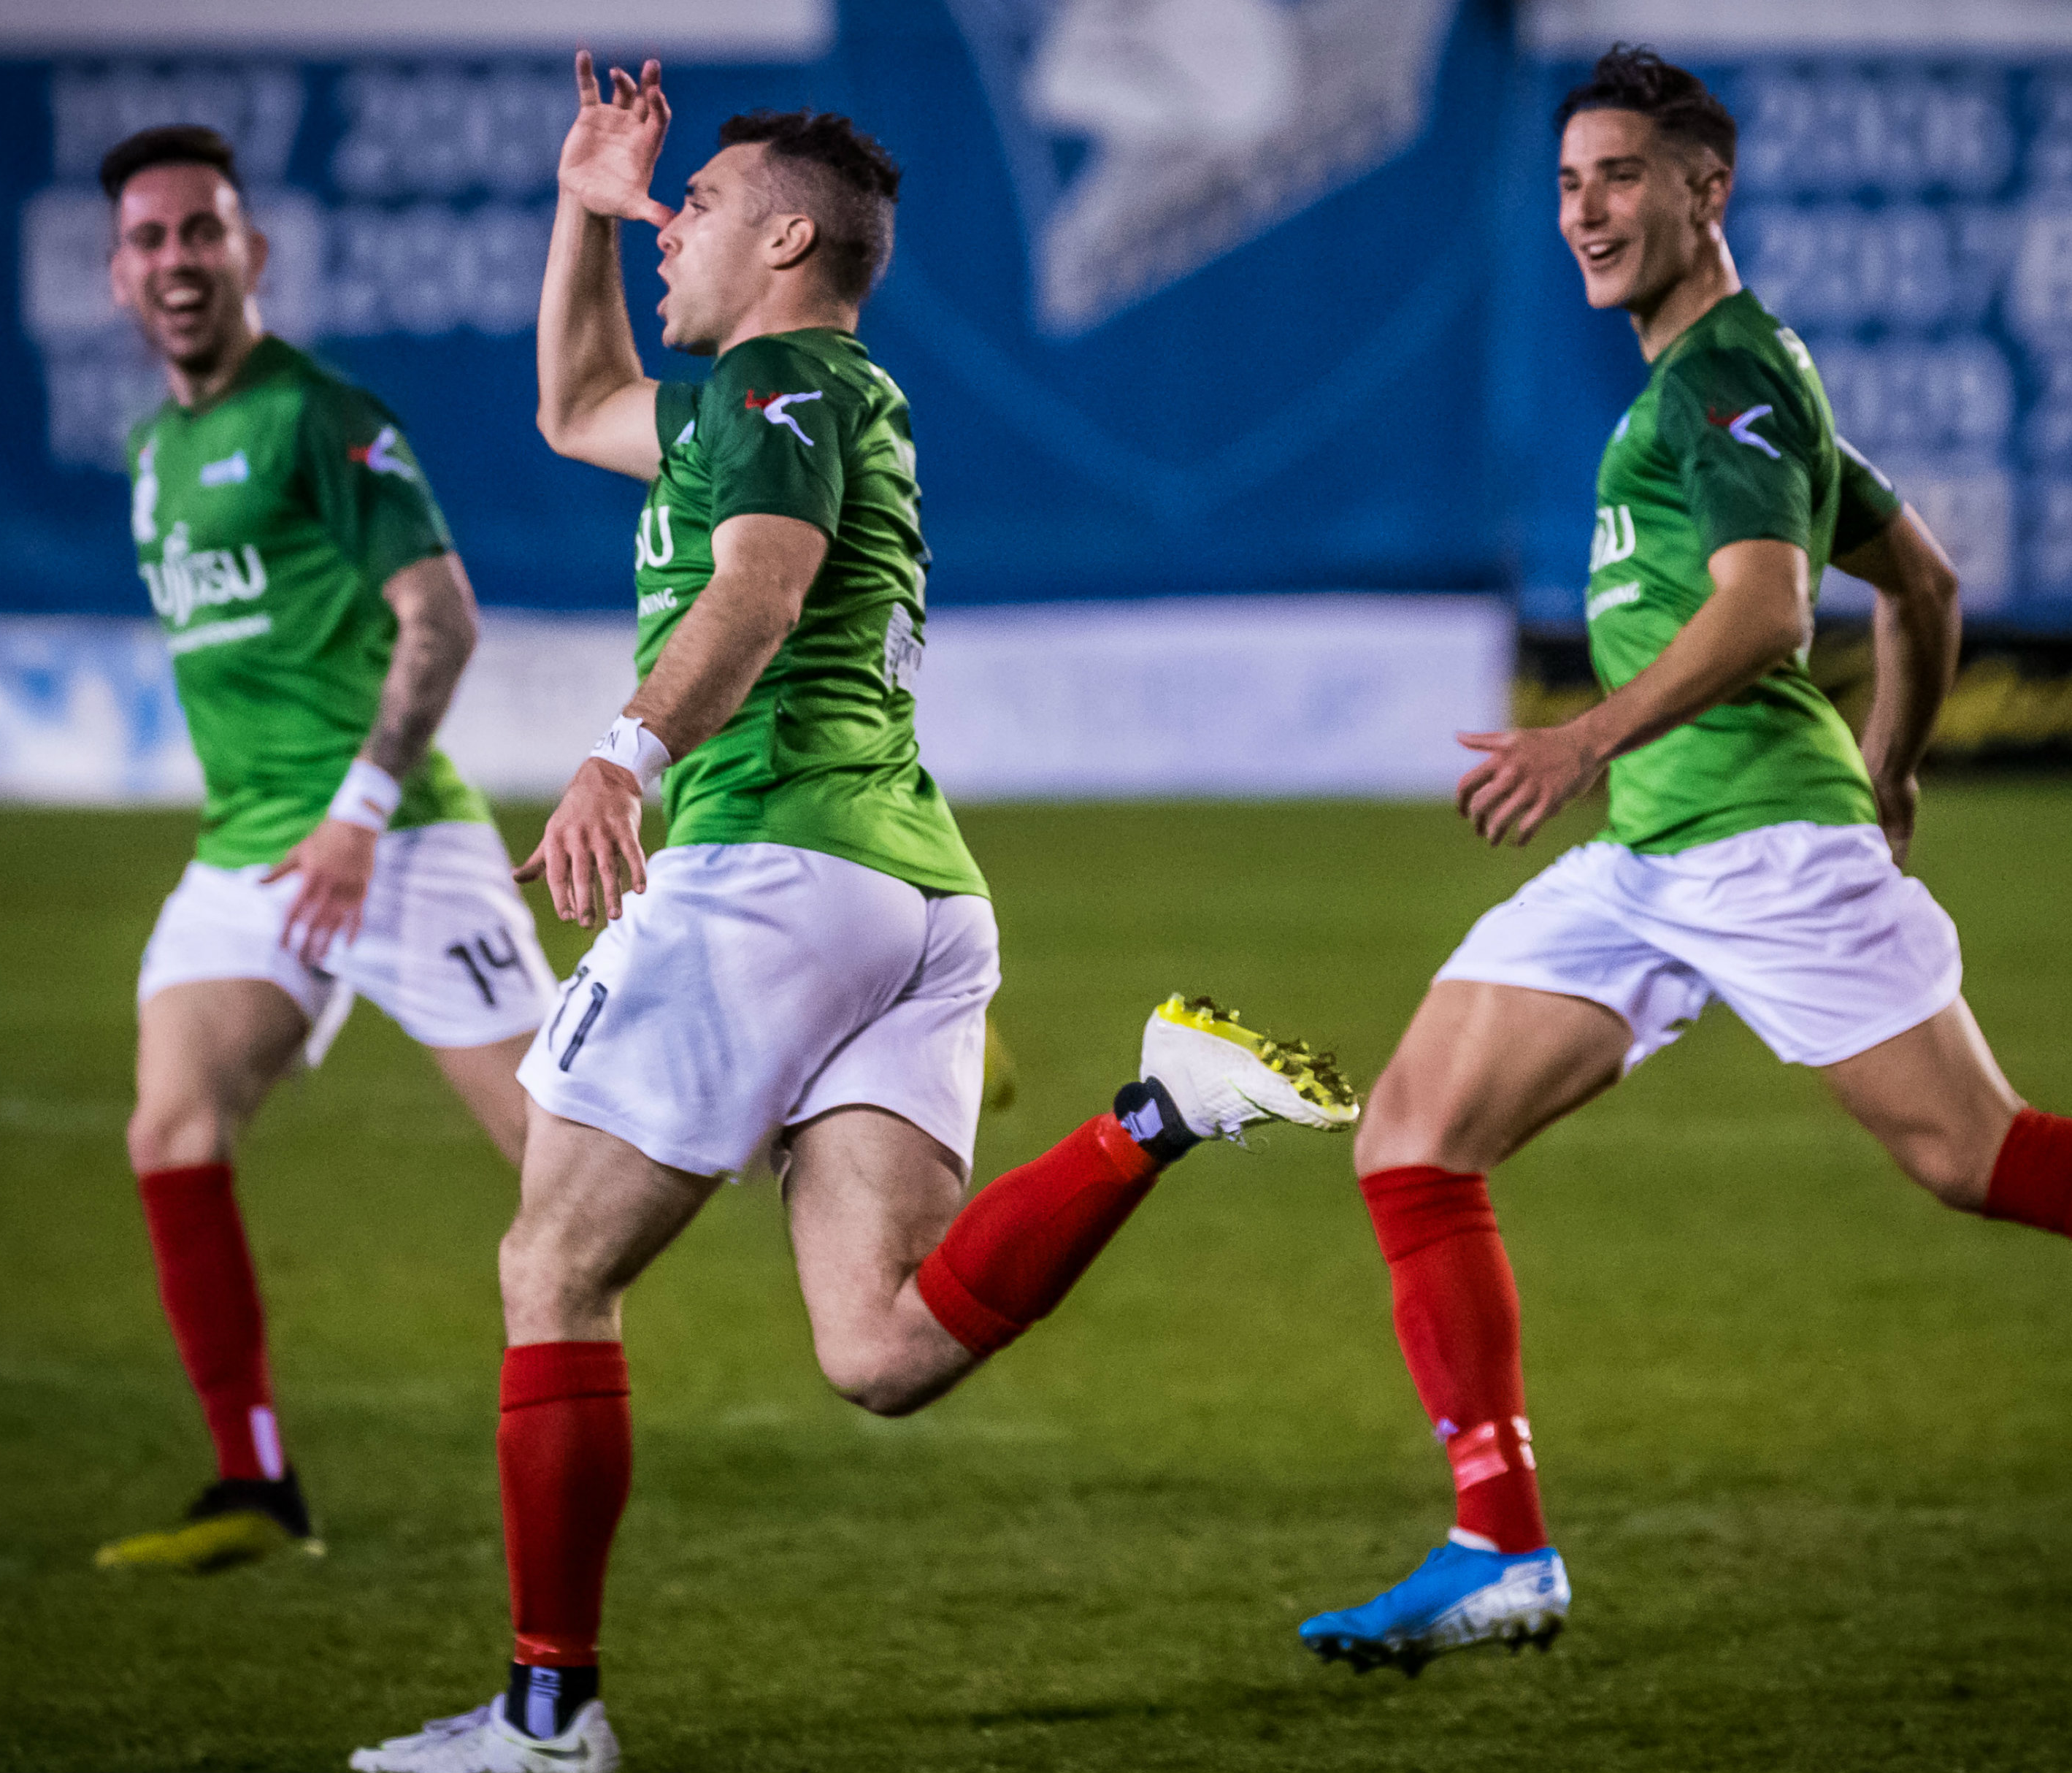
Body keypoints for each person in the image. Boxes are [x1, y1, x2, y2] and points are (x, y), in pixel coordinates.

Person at [1297, 46, 2072, 1676]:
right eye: (1567, 182)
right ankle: (1499, 1544)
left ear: (1704, 190)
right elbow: (1921, 583)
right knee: (1412, 1135)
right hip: (1653, 859)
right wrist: (1893, 760)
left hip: (1753, 849)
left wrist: (1583, 740)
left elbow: (1769, 608)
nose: (1584, 211)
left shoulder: (1722, 378)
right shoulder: (1739, 374)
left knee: (1976, 1157)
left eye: (1620, 176)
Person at [351, 58, 1357, 1772]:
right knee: (881, 1344)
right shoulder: (791, 397)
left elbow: (757, 587)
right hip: (913, 894)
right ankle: (1156, 1110)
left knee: (550, 1262)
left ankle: (546, 1715)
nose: (671, 227)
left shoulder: (772, 390)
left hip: (768, 870)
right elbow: (575, 403)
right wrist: (580, 211)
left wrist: (618, 758)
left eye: (698, 205)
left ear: (787, 241)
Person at [95, 126, 552, 1575]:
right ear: (117, 274)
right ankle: (255, 1483)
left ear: (253, 253)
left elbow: (443, 617)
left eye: (202, 232)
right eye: (150, 239)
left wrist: (356, 809)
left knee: (571, 1157)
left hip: (394, 839)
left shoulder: (319, 414)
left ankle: (841, 1049)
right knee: (170, 1128)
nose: (178, 260)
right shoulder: (153, 451)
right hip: (252, 860)